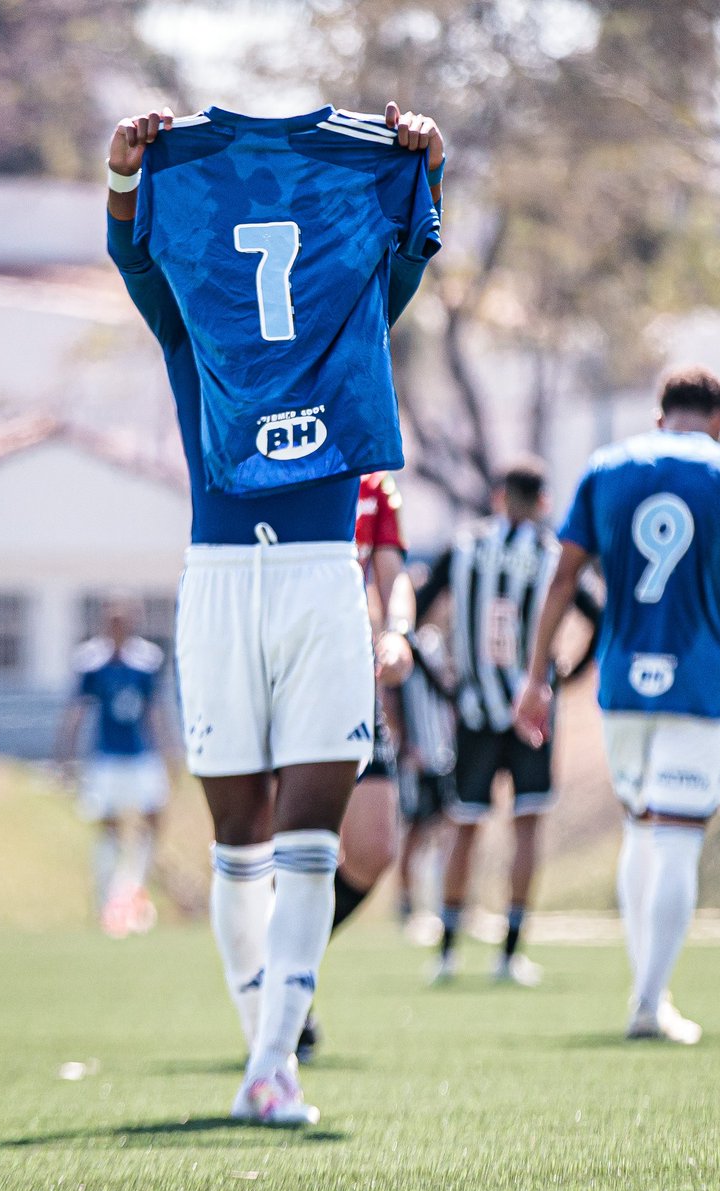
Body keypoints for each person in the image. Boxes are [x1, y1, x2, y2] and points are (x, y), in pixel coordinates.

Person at [106, 99, 443, 1125]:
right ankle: (266, 1041)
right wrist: (125, 177)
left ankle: (271, 1066)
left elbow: (413, 244)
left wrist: (428, 161)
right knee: (238, 839)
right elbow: (132, 256)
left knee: (307, 839)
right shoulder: (192, 315)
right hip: (220, 580)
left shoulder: (348, 309)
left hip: (314, 578)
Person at [515, 365, 720, 1043]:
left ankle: (647, 989)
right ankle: (650, 1002)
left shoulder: (605, 467)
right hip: (697, 684)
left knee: (640, 829)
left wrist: (536, 677)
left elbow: (562, 579)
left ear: (660, 417)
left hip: (622, 685)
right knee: (676, 837)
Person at [416, 457, 602, 986]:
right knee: (525, 827)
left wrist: (446, 687)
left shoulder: (465, 547)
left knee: (465, 827)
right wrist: (563, 677)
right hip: (532, 716)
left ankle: (448, 953)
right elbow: (599, 618)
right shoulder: (550, 557)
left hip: (474, 712)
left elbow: (417, 618)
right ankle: (509, 956)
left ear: (500, 497)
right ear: (543, 502)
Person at [295, 470, 416, 1063]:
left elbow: (394, 578)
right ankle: (283, 996)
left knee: (373, 850)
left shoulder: (374, 486)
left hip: (352, 675)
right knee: (284, 847)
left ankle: (289, 961)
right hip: (283, 672)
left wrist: (396, 633)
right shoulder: (276, 455)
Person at [55, 598, 170, 937]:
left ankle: (135, 890)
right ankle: (108, 901)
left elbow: (154, 710)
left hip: (141, 755)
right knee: (108, 828)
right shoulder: (91, 661)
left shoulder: (146, 659)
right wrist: (64, 755)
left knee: (153, 819)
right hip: (105, 757)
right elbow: (77, 710)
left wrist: (169, 751)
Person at [395, 623, 457, 925]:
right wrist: (406, 743)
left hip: (444, 753)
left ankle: (439, 904)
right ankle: (406, 905)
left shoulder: (440, 639)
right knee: (416, 830)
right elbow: (394, 697)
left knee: (446, 829)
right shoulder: (407, 642)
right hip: (418, 755)